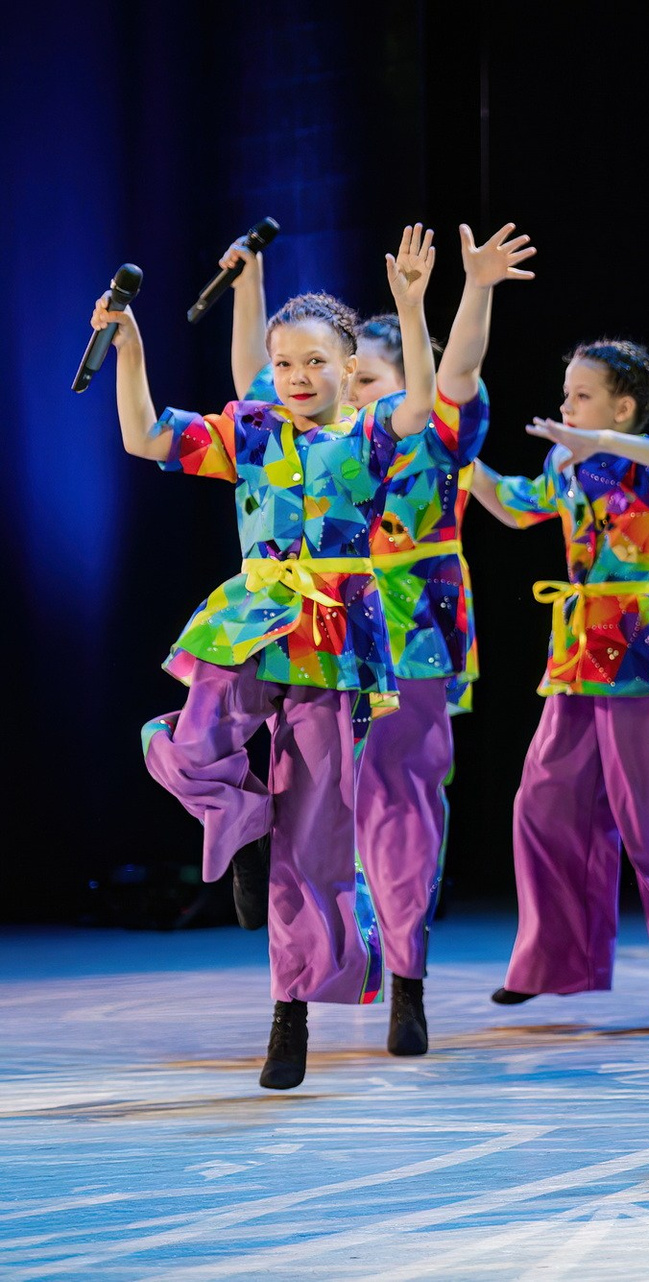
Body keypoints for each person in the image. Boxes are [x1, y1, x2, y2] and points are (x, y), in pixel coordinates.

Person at [102, 226, 442, 1089]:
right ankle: (241, 823)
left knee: (317, 835)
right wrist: (130, 345)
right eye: (284, 363)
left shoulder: (368, 437)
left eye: (315, 363)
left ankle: (289, 1014)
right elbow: (144, 436)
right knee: (187, 746)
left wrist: (409, 308)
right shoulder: (250, 432)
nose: (296, 376)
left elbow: (418, 409)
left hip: (336, 634)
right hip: (253, 618)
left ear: (348, 369)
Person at [220, 221, 532, 1056]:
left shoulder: (427, 431)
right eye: (346, 373)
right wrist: (250, 286)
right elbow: (253, 381)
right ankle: (309, 987)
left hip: (414, 633)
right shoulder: (317, 436)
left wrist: (473, 289)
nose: (348, 386)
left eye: (366, 376)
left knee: (405, 811)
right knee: (311, 806)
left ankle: (407, 981)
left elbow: (456, 373)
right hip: (320, 635)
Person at [469, 339, 649, 1031]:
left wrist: (602, 441)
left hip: (637, 648)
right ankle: (556, 960)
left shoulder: (648, 468)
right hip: (578, 651)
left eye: (581, 396)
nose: (566, 407)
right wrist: (455, 455)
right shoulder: (564, 466)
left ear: (623, 408)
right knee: (544, 803)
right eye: (566, 395)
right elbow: (515, 506)